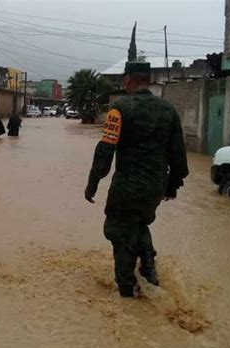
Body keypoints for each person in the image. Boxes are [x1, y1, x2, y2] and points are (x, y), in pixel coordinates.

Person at [84, 62, 189, 298]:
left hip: (127, 186)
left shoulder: (118, 109)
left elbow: (105, 149)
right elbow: (179, 155)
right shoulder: (168, 110)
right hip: (154, 187)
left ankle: (127, 291)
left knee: (120, 231)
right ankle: (148, 264)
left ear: (128, 80)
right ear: (149, 80)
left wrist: (93, 182)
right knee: (140, 222)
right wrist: (172, 185)